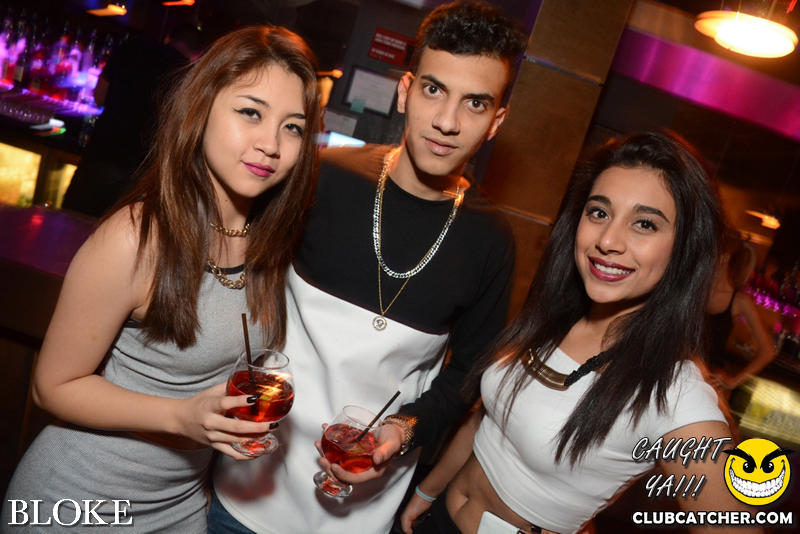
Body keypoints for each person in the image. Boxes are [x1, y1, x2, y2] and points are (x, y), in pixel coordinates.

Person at [209, 2, 527, 534]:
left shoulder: (490, 240)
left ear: (496, 121)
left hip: (361, 507)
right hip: (249, 485)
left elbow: (470, 374)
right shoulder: (321, 178)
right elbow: (238, 280)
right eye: (434, 90)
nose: (448, 122)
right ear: (405, 91)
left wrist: (406, 428)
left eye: (475, 103)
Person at [1, 25, 320, 532]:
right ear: (203, 108)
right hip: (79, 499)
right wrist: (180, 417)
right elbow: (53, 386)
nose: (271, 144)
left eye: (293, 127)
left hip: (180, 504)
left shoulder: (269, 245)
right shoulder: (138, 237)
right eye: (250, 112)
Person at [400, 132, 763, 534]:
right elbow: (489, 417)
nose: (607, 240)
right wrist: (427, 492)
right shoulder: (557, 316)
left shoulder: (673, 390)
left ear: (684, 250)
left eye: (644, 224)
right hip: (438, 516)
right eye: (599, 212)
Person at [61, 24, 202, 218]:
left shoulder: (131, 48)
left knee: (71, 223)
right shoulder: (187, 75)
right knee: (115, 233)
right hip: (139, 175)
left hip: (100, 156)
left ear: (168, 38)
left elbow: (99, 96)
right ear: (196, 53)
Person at [707, 239, 776, 392]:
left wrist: (733, 382)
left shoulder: (740, 301)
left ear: (724, 257)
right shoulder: (694, 289)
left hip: (707, 382)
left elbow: (768, 352)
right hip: (677, 371)